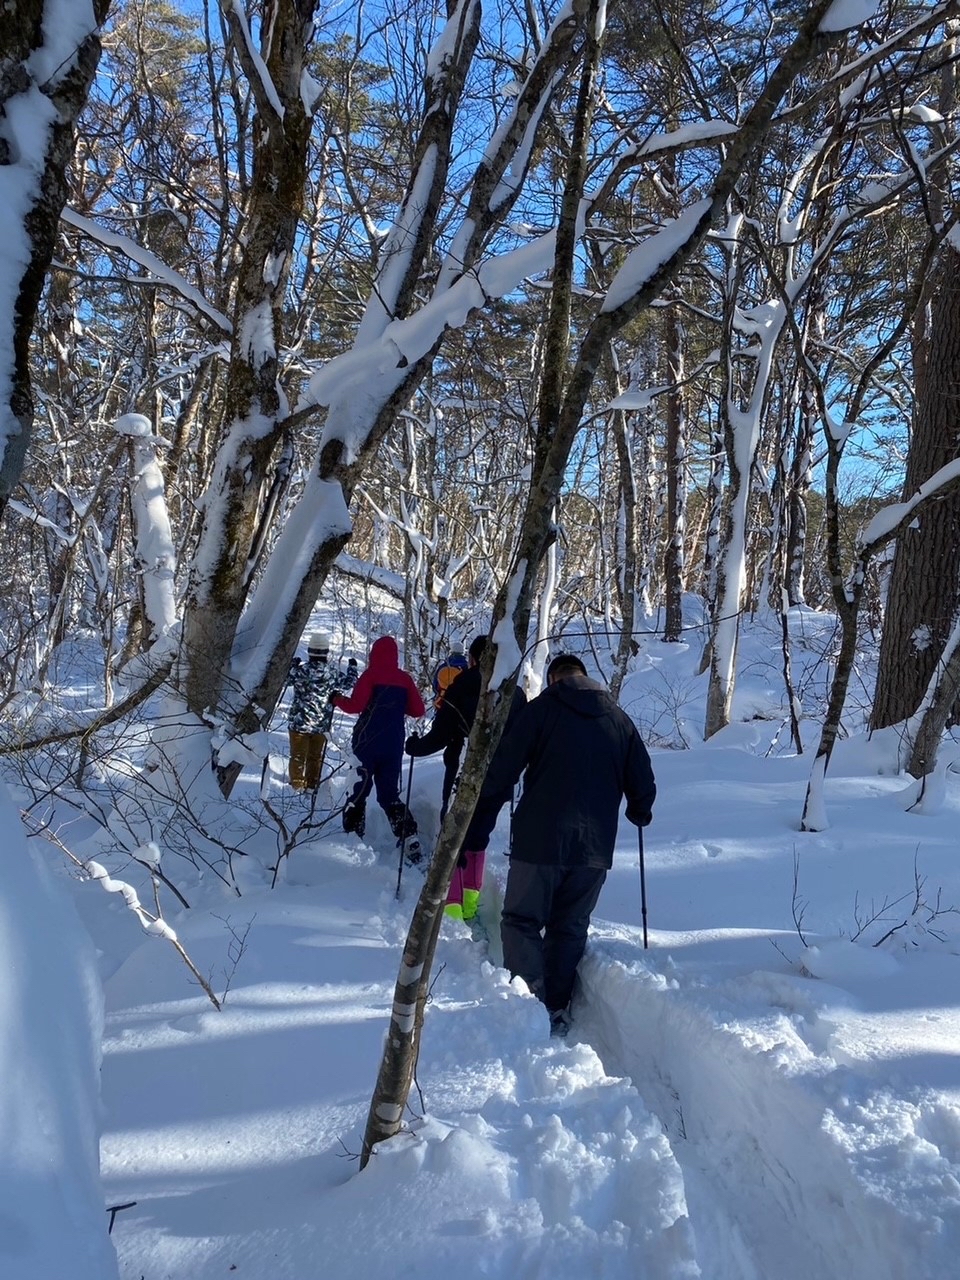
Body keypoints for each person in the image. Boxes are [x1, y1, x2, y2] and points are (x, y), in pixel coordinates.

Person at [481, 654, 656, 1037]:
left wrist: (480, 812)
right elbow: (643, 781)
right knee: (570, 925)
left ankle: (529, 1003)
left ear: (554, 678)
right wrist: (640, 810)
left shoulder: (543, 710)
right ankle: (557, 1006)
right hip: (594, 849)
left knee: (522, 920)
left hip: (539, 841)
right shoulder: (619, 719)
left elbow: (504, 768)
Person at [406, 635, 527, 920]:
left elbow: (440, 735)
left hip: (463, 775)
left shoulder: (461, 686)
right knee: (479, 837)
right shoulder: (516, 694)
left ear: (473, 660)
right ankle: (471, 906)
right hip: (501, 779)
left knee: (454, 838)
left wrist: (413, 747)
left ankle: (452, 911)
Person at [333, 636, 427, 862]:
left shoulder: (370, 676)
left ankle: (353, 837)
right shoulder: (404, 679)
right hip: (393, 745)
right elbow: (418, 710)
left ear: (373, 654)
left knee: (359, 790)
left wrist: (336, 699)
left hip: (366, 742)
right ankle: (409, 835)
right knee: (389, 795)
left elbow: (355, 706)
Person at [287, 632, 358, 790]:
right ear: (326, 652)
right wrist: (352, 668)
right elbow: (349, 683)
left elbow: (286, 680)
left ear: (310, 651)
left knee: (297, 757)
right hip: (321, 724)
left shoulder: (300, 671)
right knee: (315, 757)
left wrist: (292, 665)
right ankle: (312, 785)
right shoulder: (331, 673)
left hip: (298, 723)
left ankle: (297, 785)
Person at [430, 641, 468, 711]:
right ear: (463, 652)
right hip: (461, 706)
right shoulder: (467, 668)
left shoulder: (443, 667)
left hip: (442, 703)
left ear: (451, 651)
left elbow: (435, 686)